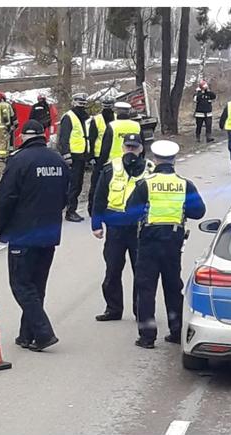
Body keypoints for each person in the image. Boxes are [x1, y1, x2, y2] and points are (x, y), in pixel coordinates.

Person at [0, 119, 70, 352]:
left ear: (23, 136)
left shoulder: (19, 161)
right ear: (43, 136)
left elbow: (6, 197)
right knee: (37, 285)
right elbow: (66, 195)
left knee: (21, 284)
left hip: (23, 233)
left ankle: (44, 333)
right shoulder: (58, 160)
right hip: (49, 233)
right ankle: (27, 335)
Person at [125, 140, 206, 348]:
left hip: (149, 240)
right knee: (172, 286)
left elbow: (130, 210)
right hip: (173, 241)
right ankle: (176, 330)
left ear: (155, 159)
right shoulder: (184, 184)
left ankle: (147, 336)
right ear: (174, 160)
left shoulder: (146, 184)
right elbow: (199, 212)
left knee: (146, 288)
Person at [91, 134, 154, 321]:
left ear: (141, 149)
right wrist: (96, 224)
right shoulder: (111, 169)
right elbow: (99, 197)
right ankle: (113, 309)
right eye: (128, 147)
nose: (131, 151)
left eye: (134, 147)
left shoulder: (150, 170)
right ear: (123, 147)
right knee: (112, 270)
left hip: (139, 228)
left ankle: (140, 311)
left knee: (141, 272)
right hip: (115, 228)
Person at [58, 92, 89, 222]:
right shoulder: (69, 117)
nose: (81, 106)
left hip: (81, 155)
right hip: (73, 156)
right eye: (79, 103)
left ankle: (72, 210)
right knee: (73, 185)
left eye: (83, 104)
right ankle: (70, 211)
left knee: (78, 184)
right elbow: (63, 138)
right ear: (74, 103)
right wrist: (66, 155)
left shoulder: (84, 118)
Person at [87, 97, 115, 216]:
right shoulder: (97, 119)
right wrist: (91, 156)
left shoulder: (117, 118)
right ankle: (92, 208)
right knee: (96, 184)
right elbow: (92, 138)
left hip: (113, 156)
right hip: (100, 157)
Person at [98, 102, 141, 169]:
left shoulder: (112, 126)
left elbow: (105, 147)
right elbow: (142, 145)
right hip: (133, 161)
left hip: (114, 163)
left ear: (117, 112)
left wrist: (101, 163)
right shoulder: (136, 125)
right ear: (129, 112)